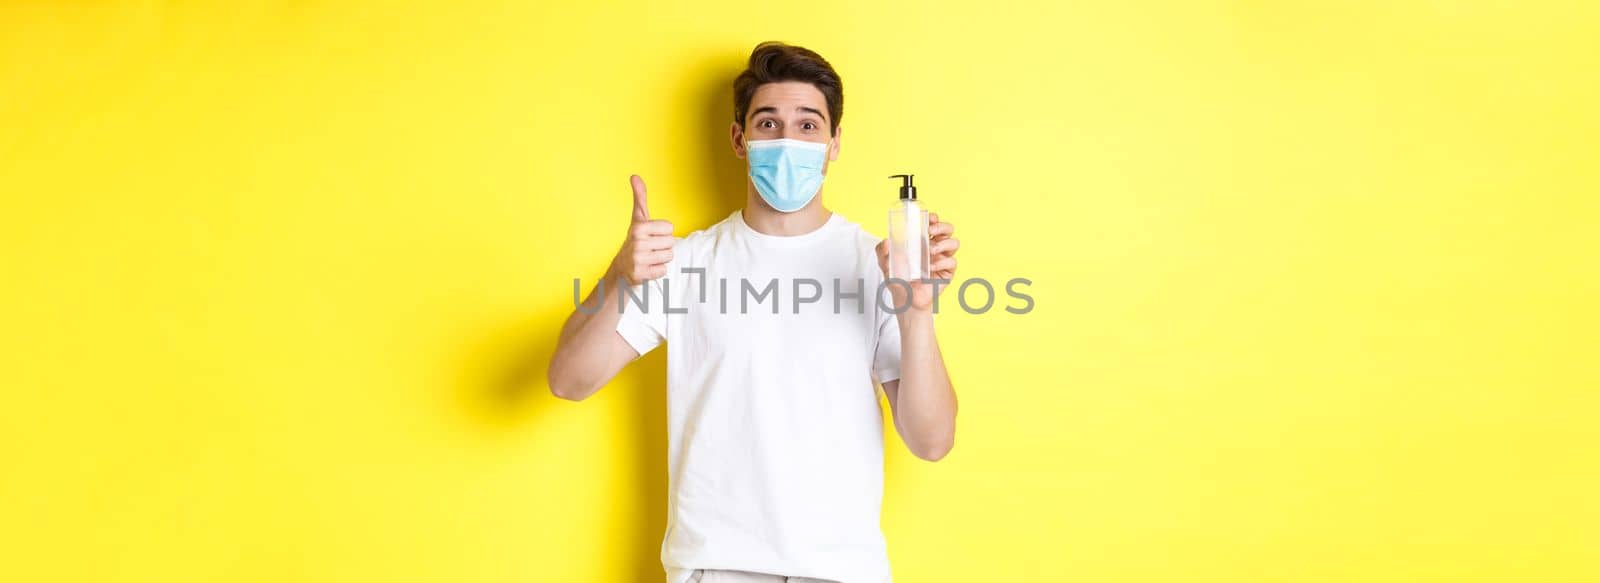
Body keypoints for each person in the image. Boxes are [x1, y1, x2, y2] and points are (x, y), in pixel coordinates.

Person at [547, 41, 960, 583]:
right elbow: (569, 381)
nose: (788, 140)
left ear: (834, 143)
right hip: (715, 570)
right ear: (740, 140)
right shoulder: (685, 262)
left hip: (840, 572)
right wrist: (619, 278)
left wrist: (917, 308)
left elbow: (931, 441)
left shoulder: (878, 263)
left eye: (808, 126)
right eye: (768, 124)